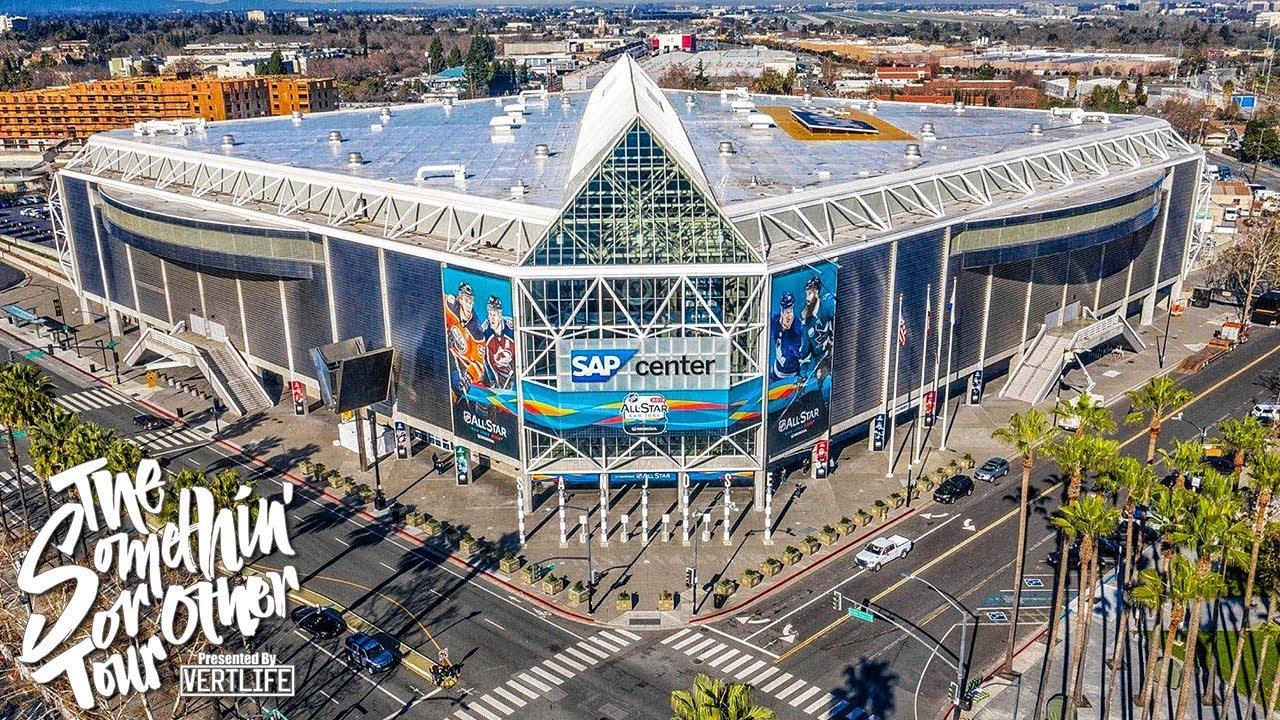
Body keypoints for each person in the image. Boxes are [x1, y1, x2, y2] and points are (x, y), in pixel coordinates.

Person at [444, 281, 486, 402]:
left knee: (458, 385)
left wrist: (470, 375)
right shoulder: (450, 305)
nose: (469, 305)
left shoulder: (476, 330)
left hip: (462, 364)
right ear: (460, 300)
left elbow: (479, 363)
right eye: (466, 301)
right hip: (448, 351)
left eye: (471, 302)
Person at [769, 291, 810, 383]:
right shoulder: (774, 320)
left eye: (790, 310)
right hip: (775, 370)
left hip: (791, 376)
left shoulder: (797, 329)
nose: (788, 315)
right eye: (786, 311)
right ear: (782, 310)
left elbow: (799, 355)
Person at [482, 295, 516, 390]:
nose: (491, 318)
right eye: (490, 314)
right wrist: (493, 381)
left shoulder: (511, 328)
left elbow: (522, 348)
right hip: (495, 372)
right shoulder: (485, 331)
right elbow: (487, 360)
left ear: (500, 315)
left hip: (511, 371)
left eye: (494, 315)